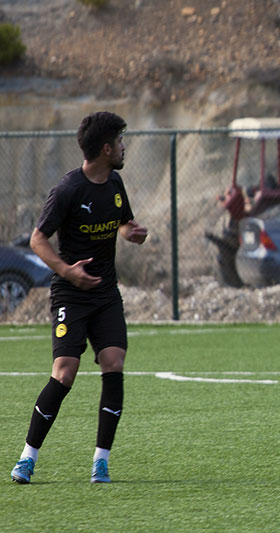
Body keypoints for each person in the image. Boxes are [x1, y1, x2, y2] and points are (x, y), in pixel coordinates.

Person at [10, 111, 148, 484]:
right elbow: (38, 238)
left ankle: (100, 461)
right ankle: (27, 458)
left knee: (113, 362)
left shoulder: (115, 184)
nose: (124, 146)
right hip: (70, 293)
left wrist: (130, 232)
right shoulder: (69, 189)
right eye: (119, 141)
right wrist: (68, 270)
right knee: (65, 372)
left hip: (105, 293)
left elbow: (122, 220)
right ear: (106, 148)